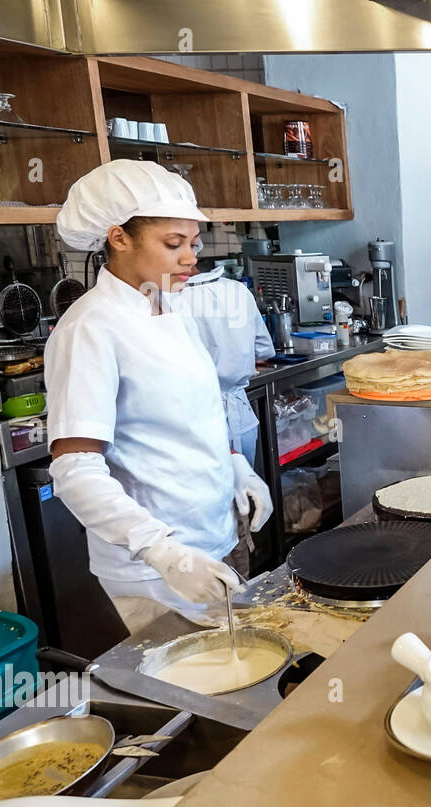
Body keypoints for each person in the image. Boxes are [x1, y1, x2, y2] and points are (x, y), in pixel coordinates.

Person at [44, 160, 273, 633]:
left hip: (219, 530)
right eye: (174, 244)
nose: (191, 258)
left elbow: (193, 410)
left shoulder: (171, 305)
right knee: (202, 687)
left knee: (252, 668)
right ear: (118, 238)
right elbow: (74, 469)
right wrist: (163, 551)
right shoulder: (90, 327)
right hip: (156, 562)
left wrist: (234, 464)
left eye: (194, 243)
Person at [170, 261, 275, 465]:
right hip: (243, 419)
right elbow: (264, 350)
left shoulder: (167, 299)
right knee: (248, 491)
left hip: (198, 424)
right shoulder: (237, 289)